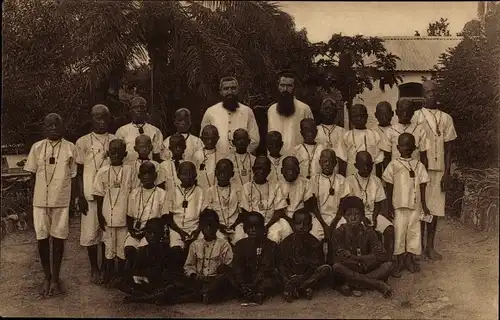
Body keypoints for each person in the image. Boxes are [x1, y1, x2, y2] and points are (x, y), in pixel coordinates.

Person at [24, 113, 78, 297]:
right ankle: (46, 277)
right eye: (49, 125)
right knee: (42, 239)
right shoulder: (37, 148)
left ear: (62, 126)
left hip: (61, 201)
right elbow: (32, 176)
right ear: (44, 128)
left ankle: (55, 278)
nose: (53, 127)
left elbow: (73, 176)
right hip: (39, 202)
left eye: (57, 124)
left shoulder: (70, 148)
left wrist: (73, 203)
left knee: (58, 239)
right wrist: (29, 206)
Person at [412, 80, 457, 260]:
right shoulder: (416, 116)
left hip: (438, 171)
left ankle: (430, 246)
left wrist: (447, 172)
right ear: (423, 96)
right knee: (420, 208)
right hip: (420, 169)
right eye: (428, 92)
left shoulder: (446, 118)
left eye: (434, 91)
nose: (432, 94)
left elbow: (449, 149)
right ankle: (419, 247)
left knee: (435, 209)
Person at [75, 105, 116, 284]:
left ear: (109, 119)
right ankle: (94, 268)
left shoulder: (115, 139)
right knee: (91, 233)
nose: (101, 121)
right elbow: (78, 171)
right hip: (90, 194)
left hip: (111, 196)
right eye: (97, 118)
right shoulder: (83, 141)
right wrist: (80, 197)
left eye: (104, 118)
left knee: (108, 231)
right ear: (91, 119)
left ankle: (107, 267)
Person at [382, 133, 431, 275]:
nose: (406, 148)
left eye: (409, 146)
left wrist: (424, 205)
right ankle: (398, 260)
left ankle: (409, 259)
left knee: (413, 232)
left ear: (414, 148)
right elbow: (389, 186)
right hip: (399, 205)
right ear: (397, 147)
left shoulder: (419, 165)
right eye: (403, 145)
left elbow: (422, 186)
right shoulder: (393, 165)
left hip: (415, 206)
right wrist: (389, 205)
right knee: (399, 232)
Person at [163, 209, 234, 304]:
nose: (208, 228)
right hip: (199, 281)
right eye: (205, 225)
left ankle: (191, 297)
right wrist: (194, 275)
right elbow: (189, 266)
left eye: (212, 225)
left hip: (215, 281)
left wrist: (215, 277)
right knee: (177, 279)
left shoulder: (224, 244)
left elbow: (228, 267)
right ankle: (203, 294)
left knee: (223, 280)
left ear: (217, 226)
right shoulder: (195, 245)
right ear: (200, 227)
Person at [330, 196, 393, 298]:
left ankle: (355, 284)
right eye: (349, 214)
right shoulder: (339, 233)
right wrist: (363, 260)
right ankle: (376, 284)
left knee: (389, 266)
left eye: (356, 214)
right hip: (351, 268)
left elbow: (382, 255)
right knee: (337, 267)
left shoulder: (369, 232)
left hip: (365, 268)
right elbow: (340, 258)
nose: (353, 218)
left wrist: (357, 258)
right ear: (344, 217)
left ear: (362, 216)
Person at [92, 139, 135, 286]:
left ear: (125, 153)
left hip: (124, 215)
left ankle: (121, 275)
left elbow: (134, 193)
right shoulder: (103, 171)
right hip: (107, 215)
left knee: (122, 247)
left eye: (119, 151)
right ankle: (109, 274)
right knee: (109, 247)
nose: (115, 154)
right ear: (108, 153)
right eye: (112, 151)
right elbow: (98, 195)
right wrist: (99, 214)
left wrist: (131, 215)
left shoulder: (130, 170)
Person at [344, 151, 395, 271]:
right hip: (355, 216)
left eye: (369, 165)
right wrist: (362, 218)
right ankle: (358, 264)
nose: (366, 169)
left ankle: (387, 260)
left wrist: (375, 217)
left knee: (390, 229)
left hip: (372, 214)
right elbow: (350, 204)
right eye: (363, 166)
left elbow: (378, 202)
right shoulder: (349, 180)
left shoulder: (376, 180)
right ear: (356, 166)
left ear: (373, 165)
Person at [124, 162, 168, 281]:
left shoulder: (162, 194)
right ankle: (135, 277)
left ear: (155, 176)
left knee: (145, 251)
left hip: (152, 232)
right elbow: (129, 216)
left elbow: (163, 218)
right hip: (136, 230)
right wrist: (132, 231)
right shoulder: (134, 193)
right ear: (139, 176)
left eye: (150, 173)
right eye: (144, 174)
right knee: (129, 249)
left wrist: (145, 232)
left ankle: (146, 277)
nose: (147, 176)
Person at [279, 209, 332, 302]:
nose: (302, 227)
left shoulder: (314, 242)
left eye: (305, 224)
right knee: (277, 271)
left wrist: (303, 277)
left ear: (310, 226)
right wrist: (290, 276)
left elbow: (315, 264)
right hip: (291, 276)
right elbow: (282, 263)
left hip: (307, 276)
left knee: (325, 269)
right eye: (298, 223)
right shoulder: (286, 242)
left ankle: (298, 288)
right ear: (293, 225)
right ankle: (302, 289)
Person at [200, 77, 260, 155]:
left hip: (242, 163)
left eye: (233, 88)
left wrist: (241, 156)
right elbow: (203, 139)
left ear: (238, 90)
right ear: (221, 92)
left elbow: (254, 139)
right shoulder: (210, 112)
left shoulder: (247, 111)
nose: (230, 92)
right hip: (217, 161)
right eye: (226, 89)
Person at [231, 212, 281, 305]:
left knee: (271, 281)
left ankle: (257, 293)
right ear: (245, 229)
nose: (253, 230)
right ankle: (248, 292)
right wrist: (242, 284)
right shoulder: (239, 245)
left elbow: (266, 268)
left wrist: (253, 286)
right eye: (250, 227)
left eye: (256, 227)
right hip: (246, 279)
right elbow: (237, 267)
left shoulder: (270, 245)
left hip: (262, 279)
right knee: (230, 278)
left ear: (262, 228)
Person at [239, 156, 292, 243]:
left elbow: (279, 211)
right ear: (253, 169)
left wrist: (267, 227)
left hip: (271, 222)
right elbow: (245, 212)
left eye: (264, 169)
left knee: (276, 236)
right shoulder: (246, 187)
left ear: (269, 171)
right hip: (252, 224)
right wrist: (258, 227)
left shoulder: (275, 186)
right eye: (258, 168)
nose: (261, 171)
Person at [164, 161, 205, 274]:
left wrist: (196, 232)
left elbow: (203, 216)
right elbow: (169, 217)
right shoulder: (172, 191)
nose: (188, 176)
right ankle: (179, 279)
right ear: (178, 175)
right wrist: (180, 232)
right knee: (176, 251)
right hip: (177, 229)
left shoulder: (200, 192)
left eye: (191, 173)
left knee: (201, 250)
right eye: (184, 173)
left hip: (196, 228)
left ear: (195, 175)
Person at [267, 70, 314, 156]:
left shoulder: (304, 109)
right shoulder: (272, 110)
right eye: (282, 85)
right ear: (278, 87)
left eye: (289, 86)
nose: (285, 89)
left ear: (294, 87)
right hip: (276, 159)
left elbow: (311, 137)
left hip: (299, 158)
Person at [309, 149, 351, 241]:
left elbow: (342, 206)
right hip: (319, 218)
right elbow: (313, 206)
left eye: (330, 161)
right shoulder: (314, 180)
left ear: (335, 163)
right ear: (320, 163)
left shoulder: (341, 180)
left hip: (337, 217)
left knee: (345, 234)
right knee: (313, 235)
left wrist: (333, 225)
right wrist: (324, 225)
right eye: (324, 161)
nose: (327, 164)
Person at [203, 159, 245, 245]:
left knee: (240, 239)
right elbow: (209, 214)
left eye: (226, 171)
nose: (222, 174)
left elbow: (242, 212)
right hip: (217, 225)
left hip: (235, 225)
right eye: (220, 171)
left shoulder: (238, 189)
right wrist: (218, 226)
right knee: (219, 241)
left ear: (232, 174)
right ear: (215, 173)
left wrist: (234, 225)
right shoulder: (210, 191)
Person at [380, 98, 429, 167]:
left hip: (415, 171)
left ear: (413, 112)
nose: (405, 114)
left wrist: (424, 175)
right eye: (402, 111)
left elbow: (424, 157)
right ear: (396, 112)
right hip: (396, 171)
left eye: (408, 111)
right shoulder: (390, 131)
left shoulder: (420, 130)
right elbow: (386, 158)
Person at [115, 97, 163, 164]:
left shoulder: (155, 131)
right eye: (135, 107)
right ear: (130, 110)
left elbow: (157, 155)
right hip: (128, 170)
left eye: (142, 107)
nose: (139, 110)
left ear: (146, 110)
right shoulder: (122, 131)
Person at [342, 104, 384, 177]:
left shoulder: (374, 135)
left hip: (371, 175)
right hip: (352, 174)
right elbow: (342, 161)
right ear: (351, 118)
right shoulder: (346, 136)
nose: (358, 118)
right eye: (355, 116)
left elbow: (379, 161)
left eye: (361, 116)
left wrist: (378, 179)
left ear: (366, 116)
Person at [316, 97, 347, 176]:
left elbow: (344, 158)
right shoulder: (315, 130)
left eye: (331, 109)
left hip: (337, 174)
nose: (328, 112)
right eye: (325, 109)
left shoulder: (343, 132)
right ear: (321, 111)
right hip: (318, 172)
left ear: (336, 112)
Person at [279, 156, 315, 222]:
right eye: (288, 170)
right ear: (282, 171)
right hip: (284, 219)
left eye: (293, 169)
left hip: (303, 216)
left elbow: (308, 207)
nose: (290, 173)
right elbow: (279, 211)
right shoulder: (277, 185)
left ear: (298, 170)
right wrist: (291, 221)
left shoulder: (306, 183)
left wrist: (297, 221)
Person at [195, 125, 223, 189]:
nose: (210, 141)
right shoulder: (197, 155)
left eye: (213, 138)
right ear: (201, 138)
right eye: (207, 138)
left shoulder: (222, 156)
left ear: (217, 138)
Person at [373, 101, 394, 174]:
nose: (384, 117)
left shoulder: (396, 131)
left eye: (386, 114)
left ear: (392, 114)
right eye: (381, 114)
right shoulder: (371, 132)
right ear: (375, 115)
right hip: (375, 168)